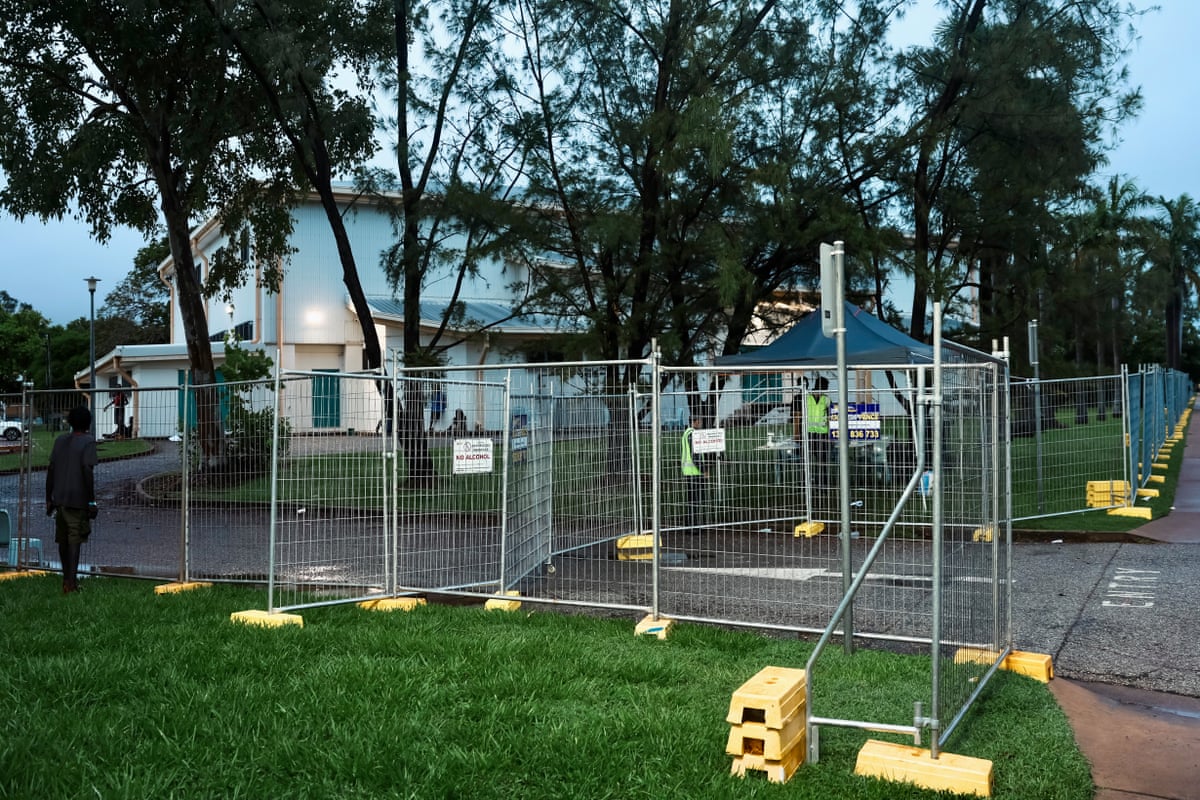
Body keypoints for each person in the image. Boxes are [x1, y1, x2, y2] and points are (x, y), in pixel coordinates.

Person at [45, 406, 98, 594]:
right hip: (78, 499)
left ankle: (66, 578)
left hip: (59, 499)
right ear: (88, 423)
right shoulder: (88, 442)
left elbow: (51, 469)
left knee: (63, 540)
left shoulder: (60, 440)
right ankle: (72, 583)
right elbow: (87, 470)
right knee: (75, 538)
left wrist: (48, 498)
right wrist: (91, 501)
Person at [680, 416, 706, 534]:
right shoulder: (692, 434)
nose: (701, 423)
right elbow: (695, 455)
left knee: (691, 500)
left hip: (688, 470)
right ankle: (693, 527)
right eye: (699, 421)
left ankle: (689, 526)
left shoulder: (686, 433)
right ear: (694, 422)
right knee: (695, 500)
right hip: (694, 471)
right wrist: (703, 470)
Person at [805, 376, 831, 487]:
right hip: (809, 433)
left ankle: (821, 483)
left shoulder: (826, 399)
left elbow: (831, 416)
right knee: (807, 460)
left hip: (822, 433)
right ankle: (807, 483)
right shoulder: (807, 398)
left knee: (822, 460)